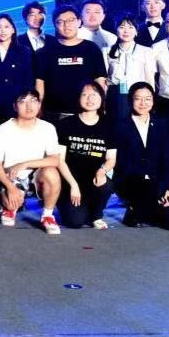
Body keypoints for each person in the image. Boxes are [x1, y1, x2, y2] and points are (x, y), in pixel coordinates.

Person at [0, 89, 63, 234]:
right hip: (12, 177)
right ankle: (10, 206)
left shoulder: (48, 128)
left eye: (33, 101)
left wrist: (25, 164)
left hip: (36, 176)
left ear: (39, 105)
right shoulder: (4, 129)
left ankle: (47, 216)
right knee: (11, 205)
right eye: (23, 101)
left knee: (51, 172)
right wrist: (10, 187)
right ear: (15, 106)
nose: (29, 106)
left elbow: (55, 160)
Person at [113, 82, 169, 229]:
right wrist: (147, 181)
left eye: (148, 99)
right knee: (149, 194)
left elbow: (168, 160)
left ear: (153, 100)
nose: (143, 103)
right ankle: (136, 207)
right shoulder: (120, 126)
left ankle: (139, 210)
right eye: (138, 99)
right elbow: (121, 162)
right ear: (130, 100)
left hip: (156, 181)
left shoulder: (162, 124)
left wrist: (166, 187)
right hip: (131, 180)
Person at [55, 82, 116, 229]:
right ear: (78, 98)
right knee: (75, 222)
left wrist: (102, 171)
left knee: (107, 184)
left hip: (93, 180)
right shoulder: (66, 124)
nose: (89, 99)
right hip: (69, 181)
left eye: (94, 95)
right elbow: (59, 160)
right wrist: (73, 184)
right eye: (85, 94)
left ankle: (96, 214)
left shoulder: (109, 126)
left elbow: (111, 158)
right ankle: (75, 208)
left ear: (101, 99)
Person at [34, 5, 107, 121]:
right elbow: (39, 85)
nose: (66, 25)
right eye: (60, 22)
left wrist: (100, 108)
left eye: (71, 20)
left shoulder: (91, 49)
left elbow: (100, 82)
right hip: (52, 114)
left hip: (85, 114)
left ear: (79, 22)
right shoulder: (45, 52)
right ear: (55, 25)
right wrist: (37, 111)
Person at [0, 14, 34, 142]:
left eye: (6, 27)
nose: (3, 30)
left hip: (15, 105)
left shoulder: (24, 51)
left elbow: (28, 80)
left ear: (13, 30)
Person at [104, 14, 157, 120]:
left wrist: (151, 100)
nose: (126, 31)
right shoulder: (106, 51)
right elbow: (104, 81)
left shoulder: (146, 51)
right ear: (116, 30)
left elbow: (150, 80)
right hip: (115, 96)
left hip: (138, 96)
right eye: (122, 27)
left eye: (130, 27)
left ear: (136, 31)